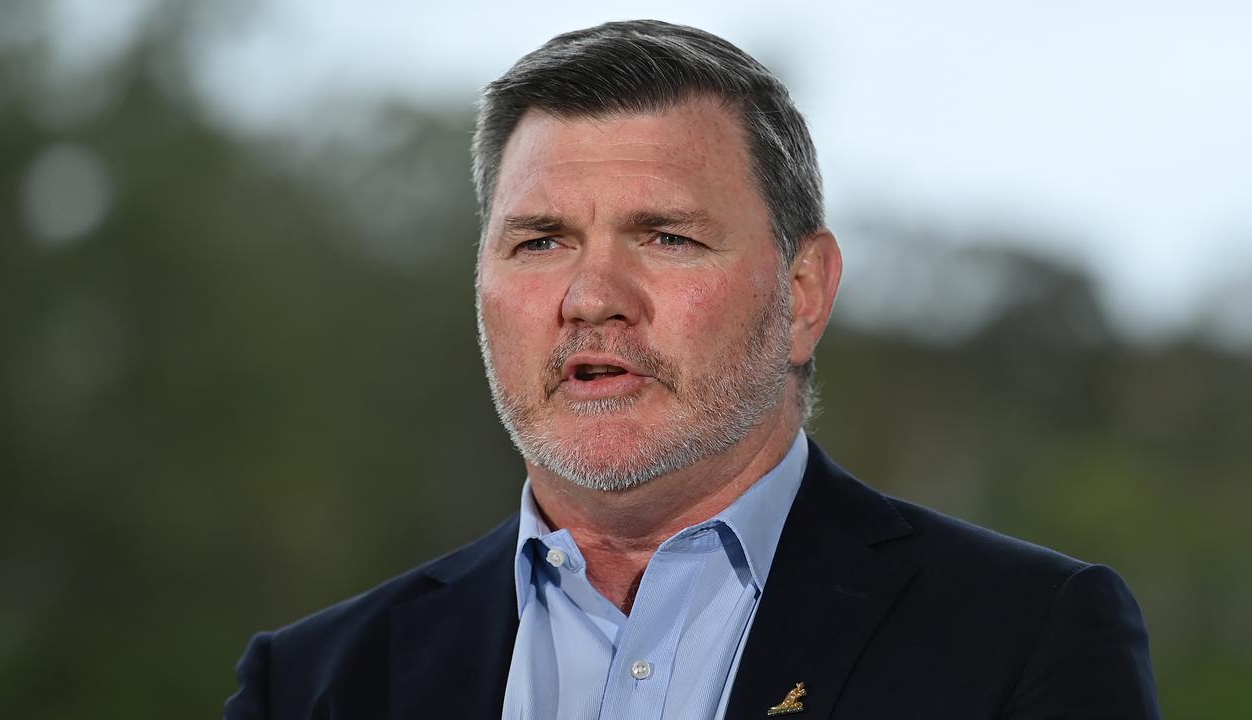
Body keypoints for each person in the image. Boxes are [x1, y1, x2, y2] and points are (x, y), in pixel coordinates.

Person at [225, 20, 1160, 719]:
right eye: (542, 240)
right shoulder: (310, 684)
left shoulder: (1027, 638)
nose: (593, 296)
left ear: (802, 293)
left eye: (666, 237)